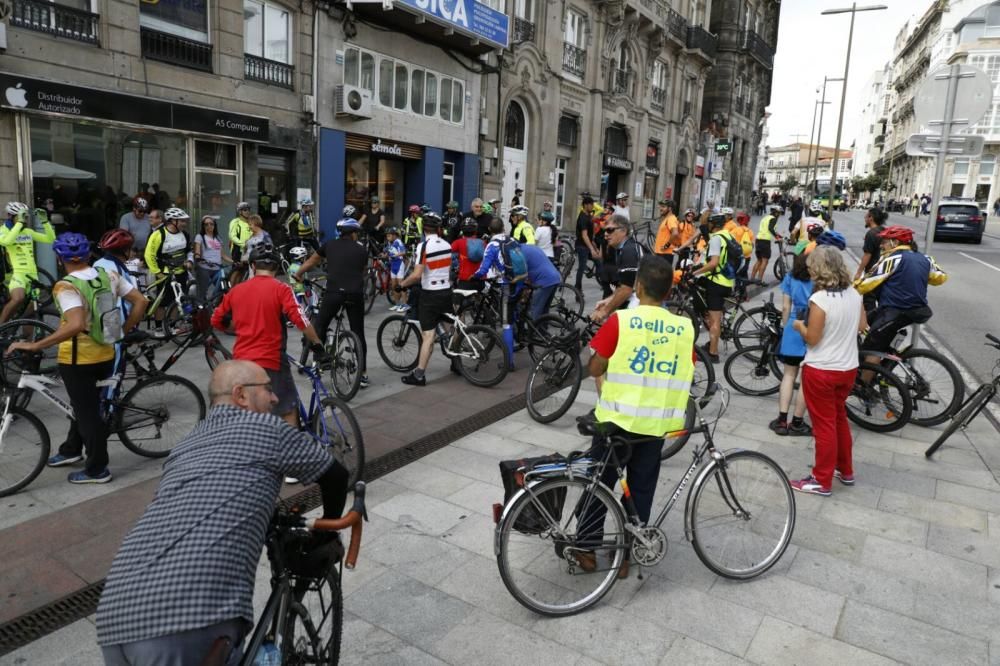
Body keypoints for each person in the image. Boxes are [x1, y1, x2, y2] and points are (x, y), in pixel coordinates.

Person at [95, 360, 349, 664]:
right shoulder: (267, 427)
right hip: (184, 619)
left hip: (115, 611)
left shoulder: (188, 443)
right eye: (267, 388)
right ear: (240, 395)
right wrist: (327, 529)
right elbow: (336, 476)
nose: (274, 397)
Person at [578, 255, 695, 579]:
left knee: (599, 482)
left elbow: (596, 366)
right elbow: (687, 368)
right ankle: (627, 554)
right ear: (669, 291)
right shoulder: (684, 329)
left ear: (639, 286)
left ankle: (586, 548)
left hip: (615, 420)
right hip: (654, 425)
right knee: (641, 489)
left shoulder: (621, 321)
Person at [5, 232, 147, 483]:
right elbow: (141, 301)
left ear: (60, 258)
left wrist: (36, 344)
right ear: (88, 254)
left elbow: (74, 324)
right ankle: (71, 449)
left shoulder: (66, 285)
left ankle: (97, 469)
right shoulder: (108, 275)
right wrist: (122, 332)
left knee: (87, 414)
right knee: (84, 406)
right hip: (106, 352)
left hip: (78, 359)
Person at [211, 243, 328, 428]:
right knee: (288, 410)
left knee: (250, 415)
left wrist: (240, 325)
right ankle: (291, 451)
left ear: (253, 266)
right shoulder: (281, 289)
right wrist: (317, 344)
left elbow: (216, 320)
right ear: (275, 267)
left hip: (242, 363)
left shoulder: (236, 291)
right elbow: (301, 319)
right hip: (271, 361)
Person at [790, 247, 867, 496]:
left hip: (822, 369)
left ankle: (820, 480)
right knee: (838, 419)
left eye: (813, 267)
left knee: (823, 426)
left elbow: (812, 338)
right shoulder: (854, 294)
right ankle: (845, 470)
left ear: (820, 270)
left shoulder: (820, 300)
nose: (810, 271)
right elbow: (863, 326)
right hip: (848, 368)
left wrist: (800, 325)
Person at [294, 217, 370, 389]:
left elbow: (312, 261)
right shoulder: (361, 250)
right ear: (353, 234)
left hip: (334, 293)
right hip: (355, 294)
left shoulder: (329, 245)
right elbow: (363, 271)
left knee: (320, 324)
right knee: (358, 332)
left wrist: (298, 274)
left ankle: (318, 364)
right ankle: (363, 374)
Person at [855, 225, 947, 362]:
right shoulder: (925, 259)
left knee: (872, 347)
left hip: (896, 309)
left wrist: (846, 291)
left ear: (895, 242)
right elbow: (940, 278)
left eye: (885, 241)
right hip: (917, 309)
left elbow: (865, 283)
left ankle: (865, 381)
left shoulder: (893, 259)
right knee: (869, 321)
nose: (881, 245)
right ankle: (887, 363)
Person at [397, 213, 453, 386]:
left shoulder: (423, 246)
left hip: (430, 294)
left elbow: (417, 275)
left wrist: (402, 285)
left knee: (428, 335)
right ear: (438, 229)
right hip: (446, 290)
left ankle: (419, 374)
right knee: (451, 328)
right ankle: (456, 362)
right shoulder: (446, 244)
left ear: (423, 229)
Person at [769, 249, 813, 436]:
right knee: (805, 379)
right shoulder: (818, 278)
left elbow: (786, 306)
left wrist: (785, 326)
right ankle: (797, 421)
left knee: (788, 375)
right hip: (813, 324)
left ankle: (781, 420)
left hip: (793, 325)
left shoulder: (790, 277)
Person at [689, 213, 734, 363]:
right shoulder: (728, 235)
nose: (707, 226)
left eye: (709, 223)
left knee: (715, 320)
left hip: (717, 282)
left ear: (713, 225)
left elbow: (713, 263)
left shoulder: (716, 239)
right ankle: (711, 343)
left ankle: (713, 354)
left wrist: (695, 273)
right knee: (714, 315)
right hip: (727, 282)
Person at [0, 203, 56, 323]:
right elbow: (6, 242)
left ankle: (28, 338)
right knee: (18, 298)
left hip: (32, 273)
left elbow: (50, 239)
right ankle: (1, 326)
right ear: (10, 215)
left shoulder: (28, 232)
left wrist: (45, 222)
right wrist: (19, 223)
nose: (24, 219)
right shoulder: (3, 231)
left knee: (32, 307)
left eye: (25, 216)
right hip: (16, 274)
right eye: (20, 216)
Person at [590, 215, 643, 321]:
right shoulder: (622, 249)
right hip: (637, 297)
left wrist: (605, 311)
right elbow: (624, 285)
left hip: (645, 302)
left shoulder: (629, 250)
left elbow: (626, 289)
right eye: (605, 231)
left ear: (623, 231)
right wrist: (608, 300)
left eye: (610, 230)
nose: (605, 234)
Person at [144, 206, 190, 313]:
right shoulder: (159, 234)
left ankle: (172, 326)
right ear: (173, 221)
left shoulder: (185, 234)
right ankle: (159, 327)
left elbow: (188, 251)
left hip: (181, 272)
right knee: (162, 302)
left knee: (177, 301)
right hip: (164, 274)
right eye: (182, 221)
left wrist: (189, 261)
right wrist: (157, 272)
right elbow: (149, 255)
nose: (185, 224)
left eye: (185, 221)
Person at [852, 207, 887, 315]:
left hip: (873, 271)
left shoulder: (871, 234)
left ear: (871, 218)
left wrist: (858, 272)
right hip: (885, 270)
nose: (865, 218)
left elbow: (867, 255)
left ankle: (870, 325)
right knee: (883, 299)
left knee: (869, 300)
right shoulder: (884, 231)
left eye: (866, 216)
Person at [520, 242, 562, 320]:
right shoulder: (532, 247)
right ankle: (542, 330)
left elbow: (522, 274)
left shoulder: (520, 253)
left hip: (544, 281)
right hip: (555, 277)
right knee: (545, 309)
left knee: (535, 309)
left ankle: (533, 331)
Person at [193, 215, 229, 301]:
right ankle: (200, 305)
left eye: (211, 224)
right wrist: (197, 257)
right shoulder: (200, 237)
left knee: (224, 283)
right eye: (206, 224)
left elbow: (223, 255)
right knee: (202, 293)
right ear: (203, 226)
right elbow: (197, 251)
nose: (209, 226)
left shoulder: (218, 238)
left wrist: (234, 261)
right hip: (205, 267)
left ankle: (213, 300)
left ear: (214, 225)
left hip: (218, 267)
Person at [750, 205, 781, 283]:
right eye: (779, 213)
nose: (779, 215)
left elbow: (770, 229)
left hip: (758, 239)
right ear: (776, 213)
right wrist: (777, 238)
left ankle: (752, 278)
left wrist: (780, 236)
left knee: (759, 260)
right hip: (765, 241)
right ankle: (760, 280)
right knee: (765, 261)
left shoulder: (765, 218)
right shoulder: (773, 219)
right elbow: (770, 229)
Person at [574, 196, 599, 290]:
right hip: (582, 246)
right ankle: (577, 289)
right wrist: (592, 249)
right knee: (581, 267)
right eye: (591, 204)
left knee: (599, 262)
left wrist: (593, 244)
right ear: (585, 205)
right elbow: (584, 235)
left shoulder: (588, 215)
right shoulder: (582, 218)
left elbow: (589, 233)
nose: (593, 206)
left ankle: (604, 283)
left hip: (588, 245)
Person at [385, 227, 410, 312]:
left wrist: (396, 255)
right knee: (394, 286)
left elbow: (404, 252)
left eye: (389, 235)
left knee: (401, 285)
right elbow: (388, 252)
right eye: (387, 236)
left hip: (399, 264)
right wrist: (384, 255)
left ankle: (405, 304)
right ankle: (397, 304)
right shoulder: (389, 243)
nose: (387, 237)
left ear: (395, 235)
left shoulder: (398, 242)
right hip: (393, 265)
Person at [228, 202, 253, 283]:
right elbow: (232, 236)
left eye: (248, 209)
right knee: (236, 271)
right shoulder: (235, 222)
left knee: (248, 271)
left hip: (250, 250)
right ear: (240, 212)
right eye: (245, 210)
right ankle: (231, 290)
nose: (247, 211)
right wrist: (243, 244)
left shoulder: (250, 223)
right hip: (238, 250)